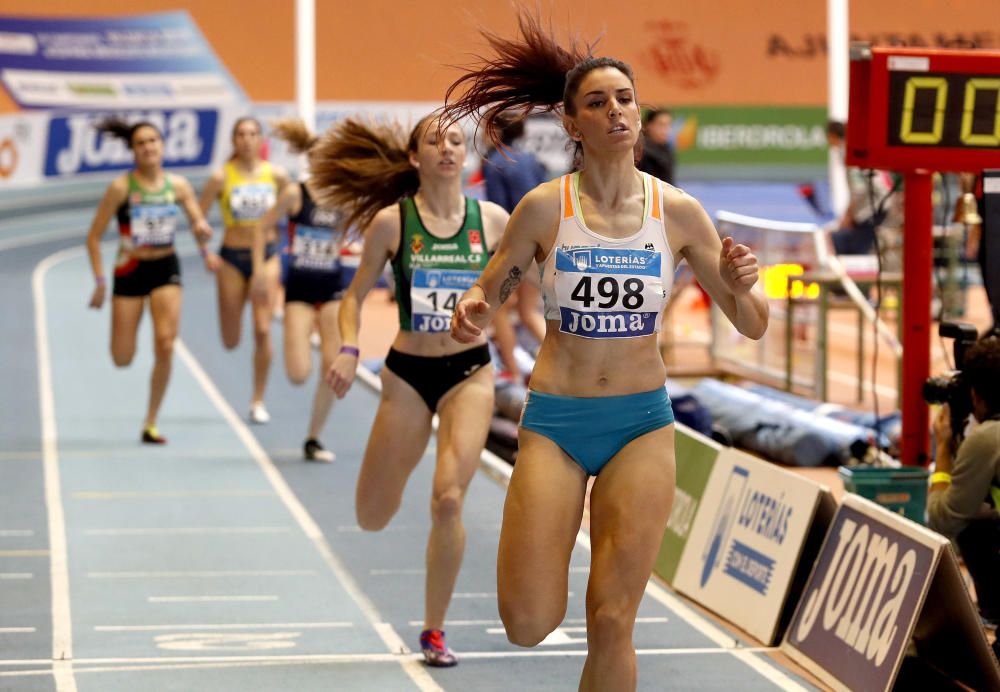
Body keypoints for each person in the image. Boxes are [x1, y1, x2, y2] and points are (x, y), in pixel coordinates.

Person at [442, 12, 767, 691]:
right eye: (598, 102)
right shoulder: (544, 207)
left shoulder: (676, 211)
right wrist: (475, 307)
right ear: (571, 123)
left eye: (625, 98)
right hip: (558, 422)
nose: (616, 111)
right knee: (528, 621)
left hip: (640, 424)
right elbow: (490, 286)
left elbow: (753, 322)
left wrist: (743, 288)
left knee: (613, 619)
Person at [309, 114, 510, 666]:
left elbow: (521, 281)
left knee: (448, 499)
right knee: (372, 514)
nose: (446, 148)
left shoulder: (492, 221)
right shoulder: (392, 225)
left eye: (454, 140)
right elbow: (352, 298)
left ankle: (434, 631)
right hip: (405, 374)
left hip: (469, 371)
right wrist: (349, 350)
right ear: (414, 158)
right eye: (433, 141)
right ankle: (390, 479)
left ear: (465, 155)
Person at [85, 117, 214, 444]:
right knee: (122, 358)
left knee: (166, 343)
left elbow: (198, 221)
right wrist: (100, 281)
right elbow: (94, 236)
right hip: (129, 269)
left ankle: (151, 421)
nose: (148, 147)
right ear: (133, 151)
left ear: (162, 145)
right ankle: (128, 331)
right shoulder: (121, 188)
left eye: (153, 140)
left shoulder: (179, 185)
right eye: (141, 143)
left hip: (165, 268)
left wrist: (204, 241)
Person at [251, 118, 349, 462]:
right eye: (318, 157)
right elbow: (262, 228)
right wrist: (261, 268)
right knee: (297, 374)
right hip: (299, 289)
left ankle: (313, 438)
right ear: (310, 159)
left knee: (332, 368)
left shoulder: (345, 197)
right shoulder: (296, 193)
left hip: (333, 289)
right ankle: (299, 345)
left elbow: (366, 226)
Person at [200, 117, 291, 424]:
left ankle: (257, 399)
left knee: (263, 329)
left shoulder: (276, 176)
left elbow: (296, 208)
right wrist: (205, 253)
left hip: (266, 256)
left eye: (253, 134)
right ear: (233, 140)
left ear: (260, 139)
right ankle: (231, 328)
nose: (247, 139)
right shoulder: (220, 178)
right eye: (241, 134)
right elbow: (198, 220)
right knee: (230, 339)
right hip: (231, 257)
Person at [928, 335, 1000, 628]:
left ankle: (994, 612)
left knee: (972, 527)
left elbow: (942, 519)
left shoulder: (987, 438)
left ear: (975, 396)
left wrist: (944, 449)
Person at [481, 113, 549, 379]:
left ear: (496, 132)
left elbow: (497, 212)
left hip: (516, 246)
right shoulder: (533, 160)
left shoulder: (494, 162)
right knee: (527, 311)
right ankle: (573, 362)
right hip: (542, 240)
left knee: (498, 309)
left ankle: (514, 376)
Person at [637, 108, 675, 186]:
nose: (665, 129)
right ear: (648, 125)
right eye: (661, 124)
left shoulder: (666, 148)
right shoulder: (641, 151)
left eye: (668, 124)